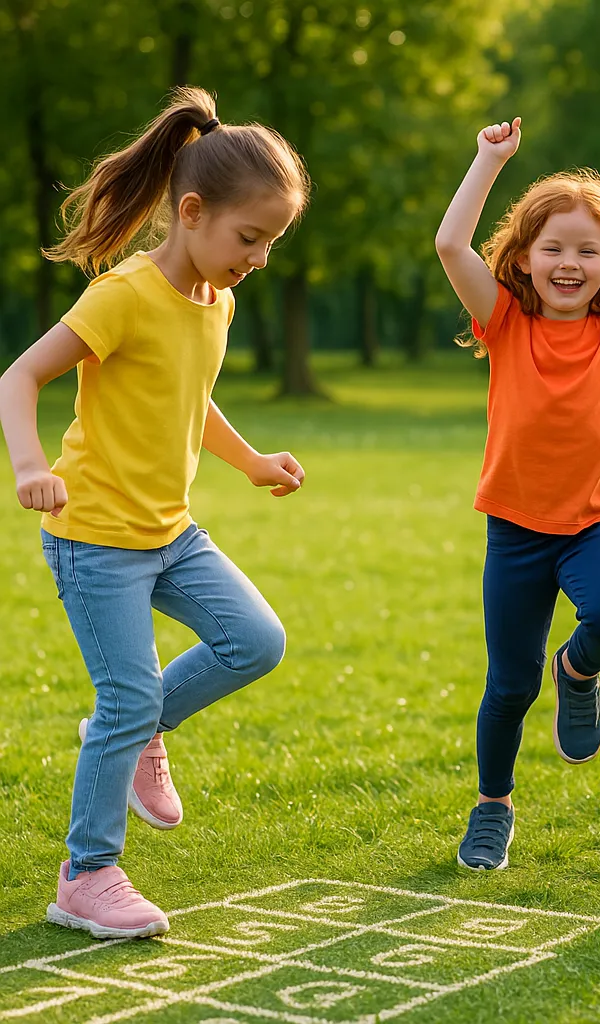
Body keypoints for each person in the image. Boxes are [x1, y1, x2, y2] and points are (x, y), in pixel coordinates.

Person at [0, 86, 310, 937]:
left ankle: (137, 729)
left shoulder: (219, 302)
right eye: (251, 237)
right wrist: (30, 465)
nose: (260, 257)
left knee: (256, 641)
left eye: (272, 242)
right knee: (126, 694)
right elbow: (18, 377)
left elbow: (190, 397)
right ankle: (86, 875)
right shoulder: (123, 296)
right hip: (95, 538)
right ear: (193, 211)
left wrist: (249, 462)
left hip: (171, 533)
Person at [435, 96, 600, 869]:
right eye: (553, 248)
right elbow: (451, 244)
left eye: (587, 252)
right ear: (523, 257)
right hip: (516, 529)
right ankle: (492, 805)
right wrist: (488, 161)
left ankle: (578, 670)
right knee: (509, 686)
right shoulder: (503, 321)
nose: (568, 264)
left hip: (594, 522)